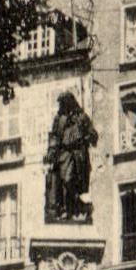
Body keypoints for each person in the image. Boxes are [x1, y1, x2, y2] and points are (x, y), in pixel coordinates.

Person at [45, 91, 98, 221]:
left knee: (74, 182)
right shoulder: (59, 119)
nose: (61, 106)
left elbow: (93, 134)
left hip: (79, 154)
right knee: (65, 181)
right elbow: (55, 137)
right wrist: (51, 152)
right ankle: (70, 208)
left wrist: (88, 137)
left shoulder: (82, 117)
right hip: (64, 154)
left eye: (63, 103)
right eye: (61, 104)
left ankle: (72, 209)